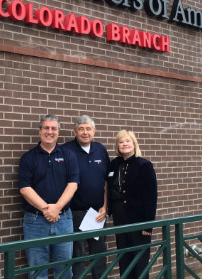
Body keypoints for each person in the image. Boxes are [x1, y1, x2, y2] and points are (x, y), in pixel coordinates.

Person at [18, 114, 79, 279]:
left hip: (64, 220)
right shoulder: (28, 158)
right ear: (40, 131)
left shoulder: (68, 155)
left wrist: (57, 208)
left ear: (58, 132)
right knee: (38, 272)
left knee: (65, 270)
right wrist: (48, 210)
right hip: (35, 222)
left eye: (53, 128)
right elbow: (25, 188)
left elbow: (73, 184)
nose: (49, 132)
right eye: (46, 128)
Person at [62, 115, 110, 279]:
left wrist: (105, 206)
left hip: (97, 213)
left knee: (99, 255)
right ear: (74, 131)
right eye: (81, 129)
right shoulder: (66, 150)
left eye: (88, 129)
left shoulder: (101, 149)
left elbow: (106, 181)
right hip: (75, 213)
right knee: (77, 257)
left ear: (94, 131)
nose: (85, 132)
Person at [107, 130, 158, 279]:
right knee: (124, 258)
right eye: (121, 142)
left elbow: (151, 197)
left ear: (134, 144)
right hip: (119, 219)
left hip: (138, 220)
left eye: (127, 141)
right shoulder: (114, 164)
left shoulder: (144, 165)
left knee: (140, 260)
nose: (124, 144)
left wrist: (148, 226)